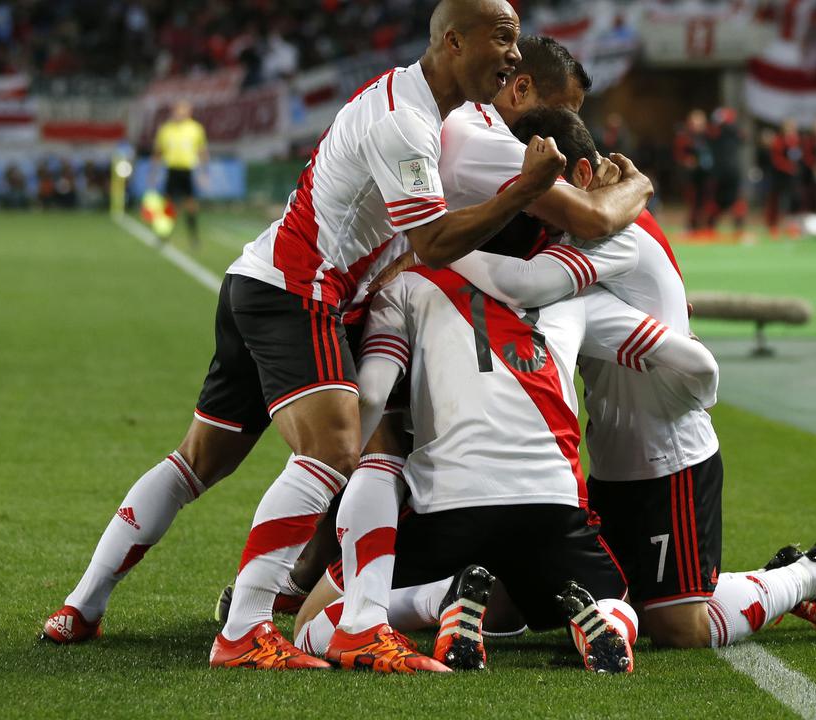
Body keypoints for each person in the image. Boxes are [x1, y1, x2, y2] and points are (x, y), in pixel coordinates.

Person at [41, 0, 568, 672]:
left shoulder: (424, 108)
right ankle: (245, 630)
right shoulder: (405, 123)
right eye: (504, 38)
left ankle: (83, 605)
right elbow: (433, 241)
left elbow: (405, 236)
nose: (515, 54)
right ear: (455, 42)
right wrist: (525, 189)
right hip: (298, 294)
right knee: (335, 449)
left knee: (202, 459)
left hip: (261, 281)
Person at [329, 132, 720, 673]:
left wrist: (339, 464)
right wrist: (704, 387)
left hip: (448, 506)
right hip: (553, 504)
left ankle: (437, 600)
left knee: (327, 616)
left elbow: (372, 393)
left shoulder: (409, 285)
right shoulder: (573, 291)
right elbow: (694, 363)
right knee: (615, 602)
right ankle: (602, 622)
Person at [153, 101, 208, 248]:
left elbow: (201, 151)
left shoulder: (195, 129)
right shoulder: (166, 129)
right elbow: (158, 151)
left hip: (187, 170)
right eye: (178, 110)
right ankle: (163, 235)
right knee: (168, 204)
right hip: (172, 170)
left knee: (191, 205)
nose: (180, 113)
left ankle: (194, 237)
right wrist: (153, 171)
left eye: (184, 110)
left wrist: (204, 172)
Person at [705, 107, 748, 242]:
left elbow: (743, 136)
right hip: (724, 172)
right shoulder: (718, 133)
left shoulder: (728, 132)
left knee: (731, 201)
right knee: (720, 201)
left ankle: (736, 228)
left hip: (726, 172)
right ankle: (712, 227)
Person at [673, 109, 712, 234]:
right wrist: (687, 161)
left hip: (705, 174)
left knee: (706, 201)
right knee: (693, 200)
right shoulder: (685, 137)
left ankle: (705, 225)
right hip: (691, 175)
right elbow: (680, 154)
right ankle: (692, 225)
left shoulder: (708, 136)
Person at [765, 118, 804, 237]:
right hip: (780, 175)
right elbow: (776, 159)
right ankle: (773, 226)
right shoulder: (779, 140)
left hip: (794, 176)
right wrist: (788, 167)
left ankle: (792, 226)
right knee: (777, 199)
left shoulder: (798, 140)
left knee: (795, 199)